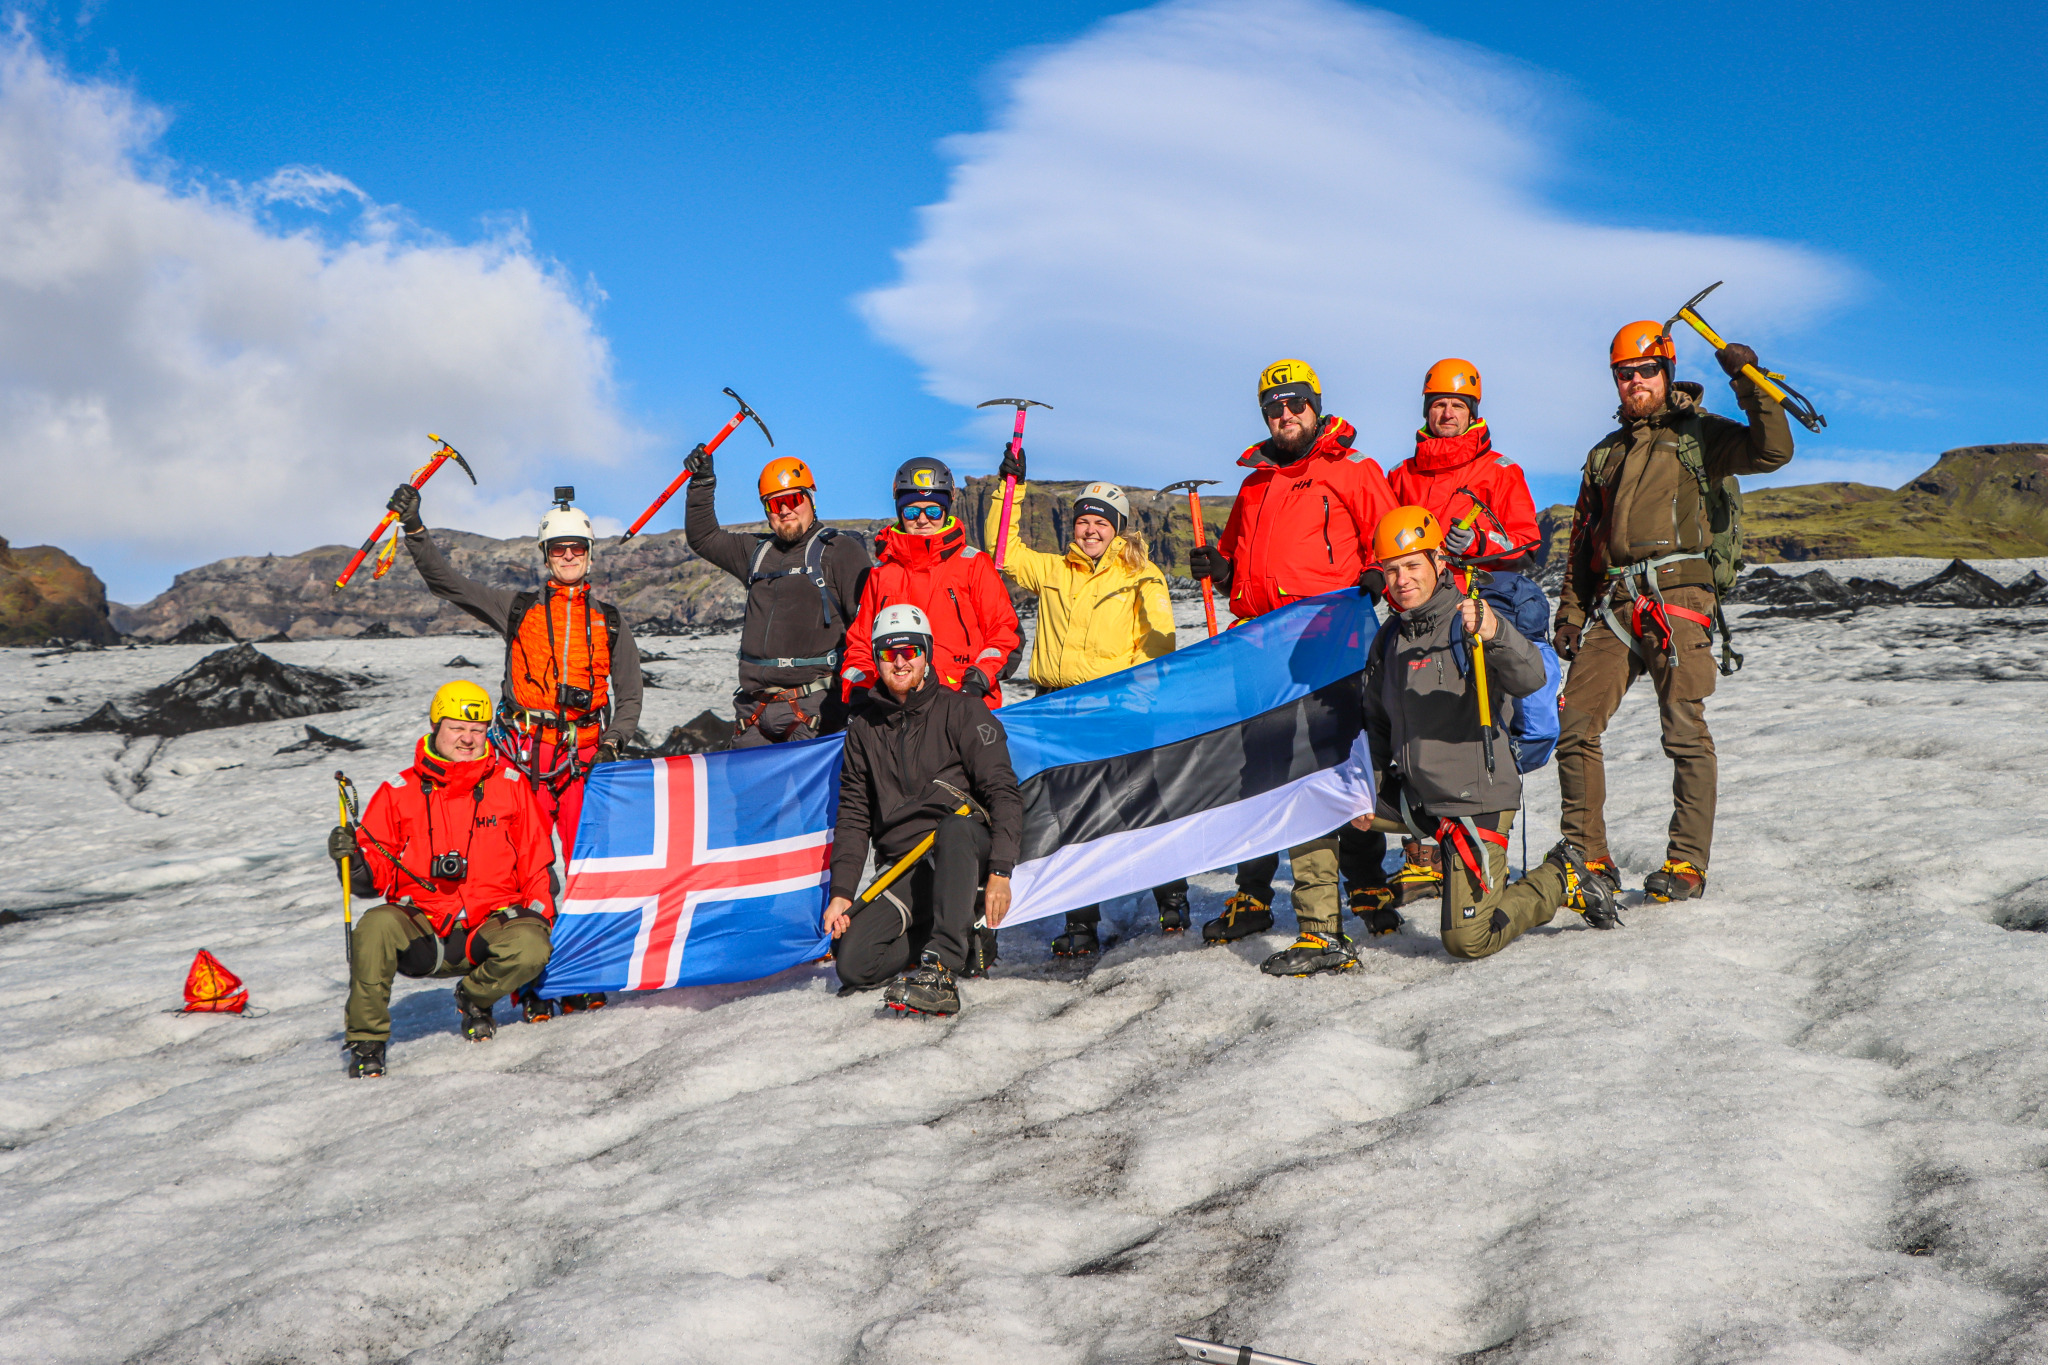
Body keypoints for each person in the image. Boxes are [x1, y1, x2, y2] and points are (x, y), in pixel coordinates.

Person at [1553, 322, 1794, 903]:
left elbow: (1773, 451)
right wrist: (1569, 614)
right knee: (1575, 729)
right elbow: (1585, 543)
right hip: (1614, 602)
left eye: (1645, 371)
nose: (1634, 382)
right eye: (1624, 373)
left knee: (1684, 731)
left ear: (1666, 372)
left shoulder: (1702, 435)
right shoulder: (1604, 454)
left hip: (1679, 599)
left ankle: (1687, 864)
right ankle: (1589, 859)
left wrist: (1748, 381)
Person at [1185, 358, 1398, 968]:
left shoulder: (1353, 472)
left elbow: (1390, 542)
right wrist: (1218, 571)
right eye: (1273, 408)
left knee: (1336, 762)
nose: (1285, 416)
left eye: (1295, 405)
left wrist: (1375, 579)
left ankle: (1364, 881)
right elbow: (1236, 564)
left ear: (1316, 404)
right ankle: (1252, 894)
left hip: (1330, 642)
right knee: (1262, 768)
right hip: (1259, 646)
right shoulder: (1253, 485)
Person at [391, 483, 637, 1013]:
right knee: (521, 873)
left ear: (588, 555)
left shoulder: (611, 621)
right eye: (558, 549)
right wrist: (415, 531)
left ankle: (581, 970)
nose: (567, 557)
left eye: (576, 549)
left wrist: (615, 740)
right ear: (546, 556)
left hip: (583, 764)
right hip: (522, 761)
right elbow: (447, 583)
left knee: (588, 869)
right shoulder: (516, 608)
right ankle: (531, 979)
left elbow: (631, 694)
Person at [1351, 508, 1619, 962]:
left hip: (1476, 802)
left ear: (1439, 561)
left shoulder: (1471, 619)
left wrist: (1496, 633)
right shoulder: (1390, 639)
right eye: (1391, 570)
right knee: (1327, 804)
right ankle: (1347, 910)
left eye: (1412, 565)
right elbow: (1376, 722)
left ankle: (1560, 876)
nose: (1401, 580)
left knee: (1467, 940)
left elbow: (1533, 677)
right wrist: (1367, 792)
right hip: (1421, 799)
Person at [982, 462, 1186, 954]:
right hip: (1056, 709)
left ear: (1117, 528)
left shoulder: (1141, 573)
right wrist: (1008, 489)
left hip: (1116, 707)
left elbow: (1160, 641)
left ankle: (1173, 899)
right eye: (1083, 520)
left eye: (1101, 521)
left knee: (1141, 804)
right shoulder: (1054, 569)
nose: (1091, 529)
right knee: (1071, 817)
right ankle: (1080, 922)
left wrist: (1135, 702)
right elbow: (1003, 552)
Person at [328, 681, 558, 1076]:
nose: (467, 739)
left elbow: (537, 866)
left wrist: (538, 923)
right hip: (424, 930)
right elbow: (371, 880)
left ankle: (473, 997)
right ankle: (367, 1040)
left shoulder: (512, 786)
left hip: (489, 926)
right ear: (436, 726)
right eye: (456, 728)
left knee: (532, 945)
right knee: (375, 926)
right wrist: (352, 861)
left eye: (477, 730)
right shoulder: (398, 791)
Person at [1383, 358, 1545, 914]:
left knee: (1465, 709)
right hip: (1414, 613)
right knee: (1408, 712)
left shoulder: (1500, 470)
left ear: (1472, 412)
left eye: (1457, 405)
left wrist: (1477, 539)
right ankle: (1419, 851)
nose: (1447, 413)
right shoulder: (1402, 475)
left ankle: (1478, 815)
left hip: (1476, 604)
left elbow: (1525, 540)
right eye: (1438, 404)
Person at [824, 604, 1025, 1016]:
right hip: (905, 866)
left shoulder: (962, 710)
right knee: (855, 964)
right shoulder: (864, 728)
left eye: (910, 651)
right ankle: (957, 935)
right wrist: (843, 892)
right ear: (876, 658)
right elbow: (854, 813)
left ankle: (942, 969)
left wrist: (1001, 871)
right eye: (888, 652)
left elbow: (1003, 792)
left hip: (963, 852)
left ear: (927, 652)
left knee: (953, 828)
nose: (900, 661)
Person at [681, 445, 871, 745]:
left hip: (816, 712)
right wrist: (702, 483)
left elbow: (867, 629)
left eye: (793, 499)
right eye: (773, 504)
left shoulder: (841, 552)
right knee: (750, 794)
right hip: (752, 714)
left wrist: (861, 703)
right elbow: (703, 537)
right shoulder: (755, 553)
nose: (784, 510)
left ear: (810, 498)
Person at [840, 458, 1021, 707]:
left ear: (947, 510)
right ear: (899, 513)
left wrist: (976, 683)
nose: (923, 519)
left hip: (963, 705)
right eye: (912, 511)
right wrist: (861, 692)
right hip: (895, 710)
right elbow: (860, 644)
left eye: (933, 510)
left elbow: (1005, 634)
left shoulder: (974, 564)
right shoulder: (880, 574)